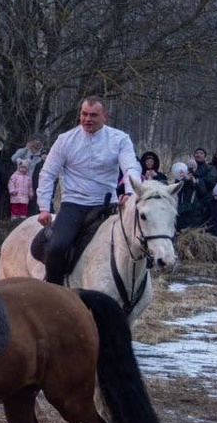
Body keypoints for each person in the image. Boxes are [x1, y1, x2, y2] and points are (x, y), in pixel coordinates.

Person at [36, 97, 140, 286]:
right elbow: (48, 173)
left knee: (135, 242)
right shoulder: (65, 140)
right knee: (56, 248)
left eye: (93, 115)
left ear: (105, 116)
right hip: (73, 205)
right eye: (84, 114)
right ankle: (54, 290)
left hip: (108, 205)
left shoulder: (120, 139)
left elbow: (131, 168)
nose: (87, 119)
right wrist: (44, 207)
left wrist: (131, 194)